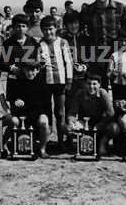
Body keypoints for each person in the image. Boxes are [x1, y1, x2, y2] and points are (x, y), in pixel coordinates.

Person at [80, 0, 126, 87]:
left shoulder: (120, 8)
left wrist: (124, 50)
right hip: (96, 55)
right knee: (99, 88)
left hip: (116, 52)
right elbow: (82, 32)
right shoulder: (88, 10)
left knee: (119, 87)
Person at [38, 15, 73, 150]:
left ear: (56, 28)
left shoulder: (63, 42)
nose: (48, 32)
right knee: (47, 112)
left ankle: (61, 141)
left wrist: (69, 81)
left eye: (51, 29)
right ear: (42, 30)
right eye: (45, 29)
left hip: (60, 82)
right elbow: (38, 63)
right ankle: (45, 141)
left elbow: (68, 62)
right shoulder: (40, 44)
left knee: (60, 112)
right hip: (45, 83)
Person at [7, 60, 52, 157]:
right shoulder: (17, 82)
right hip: (21, 116)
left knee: (44, 121)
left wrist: (50, 123)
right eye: (27, 70)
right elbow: (12, 101)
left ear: (38, 70)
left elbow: (48, 106)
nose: (30, 73)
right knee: (13, 120)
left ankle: (42, 149)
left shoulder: (43, 84)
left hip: (36, 116)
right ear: (23, 70)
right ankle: (11, 148)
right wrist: (16, 101)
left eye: (33, 70)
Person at [66, 74, 115, 155]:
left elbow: (111, 113)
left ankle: (103, 143)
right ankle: (82, 142)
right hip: (85, 123)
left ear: (99, 84)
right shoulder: (79, 93)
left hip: (100, 123)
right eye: (89, 84)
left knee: (114, 128)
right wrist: (72, 122)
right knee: (66, 128)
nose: (91, 87)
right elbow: (72, 113)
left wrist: (100, 125)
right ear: (84, 84)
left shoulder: (103, 93)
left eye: (94, 84)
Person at [0, 14, 39, 106]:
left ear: (27, 28)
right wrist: (12, 68)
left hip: (30, 80)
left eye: (23, 26)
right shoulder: (7, 43)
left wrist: (35, 70)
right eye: (18, 26)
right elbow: (2, 62)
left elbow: (38, 60)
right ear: (13, 27)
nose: (20, 29)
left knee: (31, 109)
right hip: (14, 81)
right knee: (16, 111)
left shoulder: (33, 42)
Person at [59, 11, 90, 120]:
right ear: (66, 25)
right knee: (68, 108)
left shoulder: (85, 39)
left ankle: (83, 135)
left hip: (83, 78)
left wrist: (84, 67)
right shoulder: (61, 39)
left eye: (76, 22)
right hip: (68, 79)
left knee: (84, 108)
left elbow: (90, 57)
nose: (73, 26)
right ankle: (68, 135)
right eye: (70, 23)